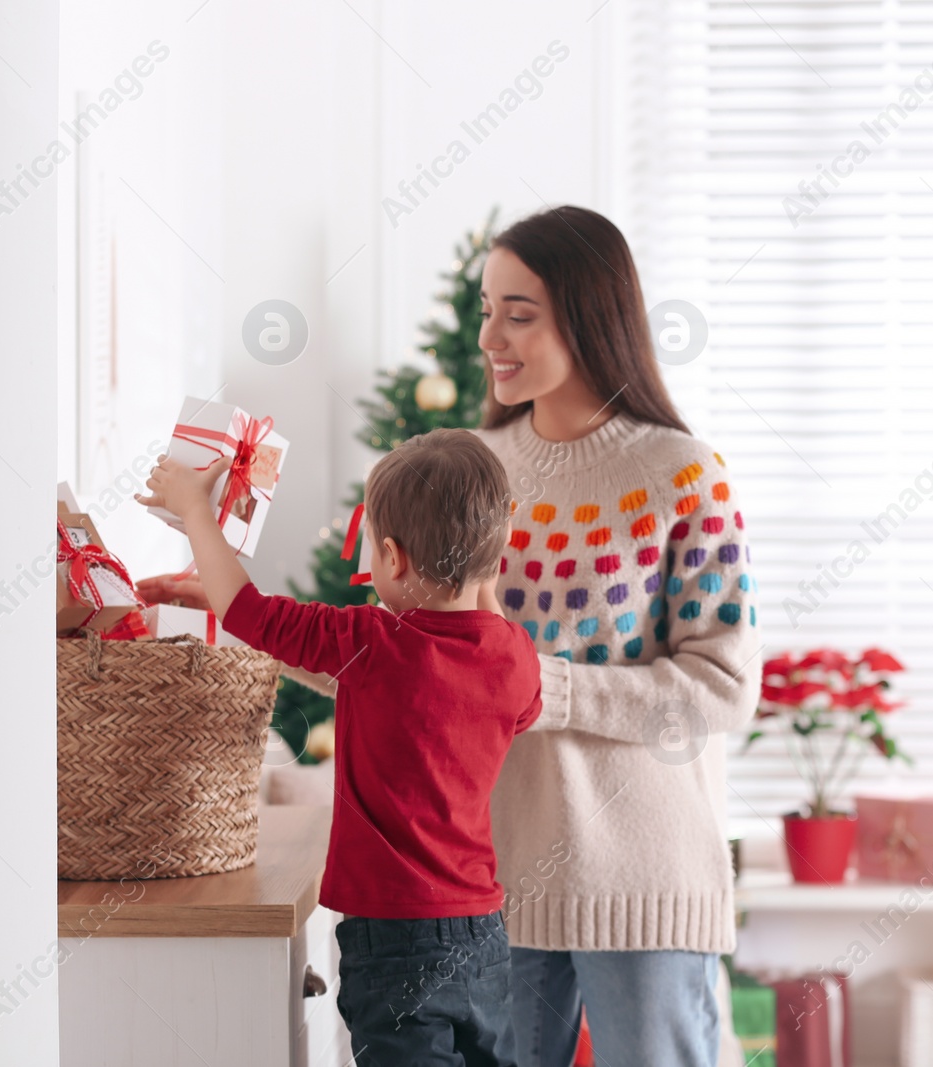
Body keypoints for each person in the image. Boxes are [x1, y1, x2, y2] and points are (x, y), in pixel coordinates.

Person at [136, 428, 541, 1067]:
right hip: (483, 934)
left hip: (394, 935)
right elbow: (508, 704)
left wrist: (193, 511)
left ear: (392, 556)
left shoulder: (372, 642)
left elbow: (249, 612)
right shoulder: (515, 656)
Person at [473, 205, 763, 1067]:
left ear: (591, 317)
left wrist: (542, 684)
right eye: (486, 308)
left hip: (645, 880)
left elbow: (722, 686)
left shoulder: (683, 474)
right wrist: (239, 611)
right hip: (496, 876)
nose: (493, 335)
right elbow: (419, 662)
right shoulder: (474, 470)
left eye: (519, 314)